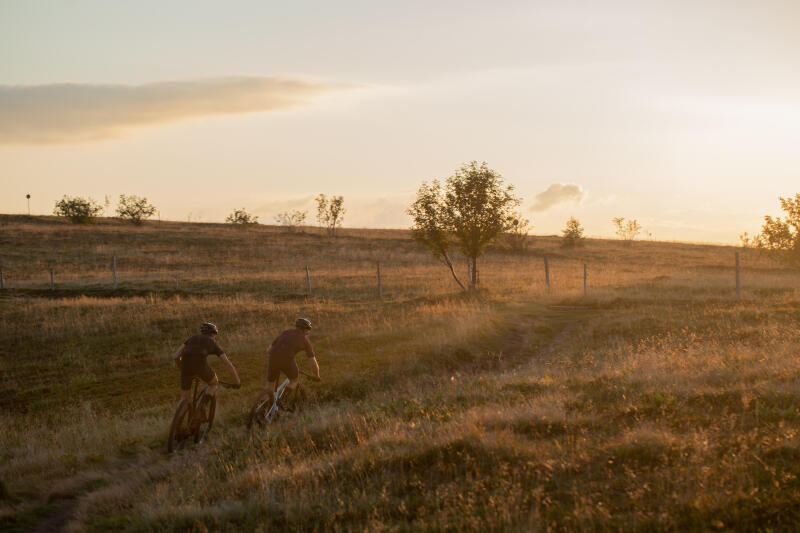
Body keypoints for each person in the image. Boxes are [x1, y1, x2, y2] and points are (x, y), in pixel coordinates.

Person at [171, 322, 241, 409]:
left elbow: (176, 356)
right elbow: (228, 364)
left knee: (184, 398)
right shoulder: (212, 342)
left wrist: (182, 368)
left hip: (185, 365)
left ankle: (178, 419)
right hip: (200, 365)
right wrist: (237, 381)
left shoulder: (191, 338)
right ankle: (203, 406)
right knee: (214, 384)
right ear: (213, 334)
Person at [256, 318, 320, 411]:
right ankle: (282, 400)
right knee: (294, 380)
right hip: (287, 360)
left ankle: (260, 409)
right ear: (306, 330)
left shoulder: (285, 332)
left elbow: (269, 350)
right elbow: (313, 363)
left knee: (269, 386)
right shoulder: (305, 340)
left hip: (273, 358)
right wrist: (317, 376)